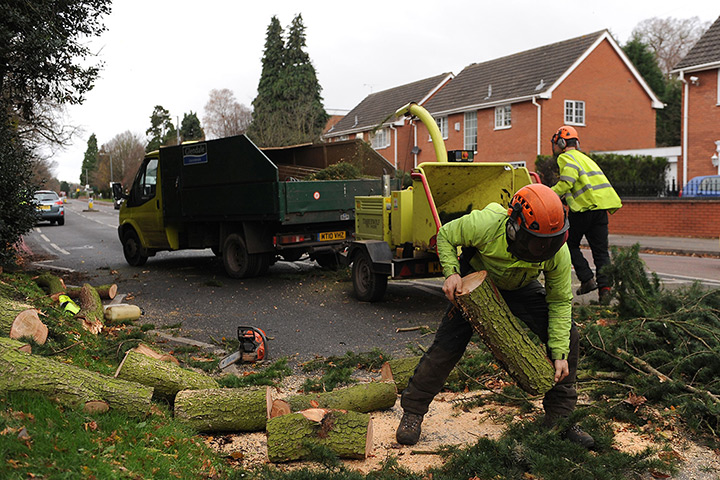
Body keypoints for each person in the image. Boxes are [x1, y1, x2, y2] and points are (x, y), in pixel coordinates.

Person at [395, 183, 594, 448]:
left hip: (521, 285)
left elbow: (559, 301)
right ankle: (413, 411)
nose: (543, 251)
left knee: (569, 336)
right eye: (536, 244)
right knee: (447, 346)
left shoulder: (556, 251)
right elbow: (445, 235)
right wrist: (452, 272)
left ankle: (561, 418)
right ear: (514, 228)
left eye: (549, 243)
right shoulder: (485, 223)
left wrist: (558, 353)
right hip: (477, 284)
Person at [550, 126, 622, 304]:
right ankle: (605, 292)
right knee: (601, 252)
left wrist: (548, 194)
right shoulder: (585, 158)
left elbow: (567, 182)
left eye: (555, 143)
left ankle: (587, 279)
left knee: (568, 245)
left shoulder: (566, 157)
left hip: (583, 211)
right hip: (600, 210)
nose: (553, 148)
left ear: (561, 142)